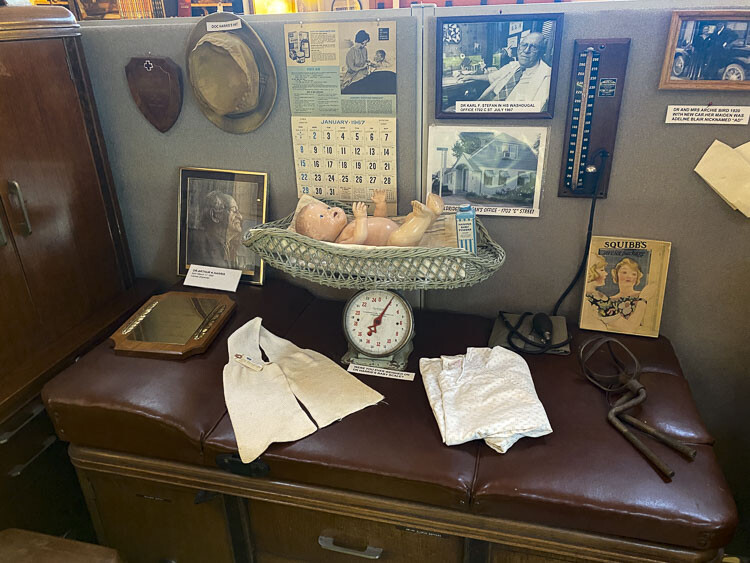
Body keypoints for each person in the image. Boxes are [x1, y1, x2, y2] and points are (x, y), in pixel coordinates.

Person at [296, 190, 444, 247]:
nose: (331, 211)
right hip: (394, 242)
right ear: (319, 237)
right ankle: (425, 217)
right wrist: (361, 218)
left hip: (396, 228)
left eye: (327, 209)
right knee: (400, 238)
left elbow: (379, 220)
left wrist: (380, 205)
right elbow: (361, 237)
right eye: (322, 216)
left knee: (408, 220)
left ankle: (431, 214)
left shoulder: (350, 224)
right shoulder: (341, 242)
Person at [470, 32, 551, 108]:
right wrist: (468, 77)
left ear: (541, 52)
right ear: (519, 47)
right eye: (524, 45)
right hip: (486, 102)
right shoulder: (513, 65)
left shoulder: (547, 77)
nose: (526, 50)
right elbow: (490, 76)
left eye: (534, 47)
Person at [188, 190, 248, 270]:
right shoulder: (199, 247)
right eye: (234, 211)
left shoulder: (232, 247)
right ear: (215, 216)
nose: (240, 217)